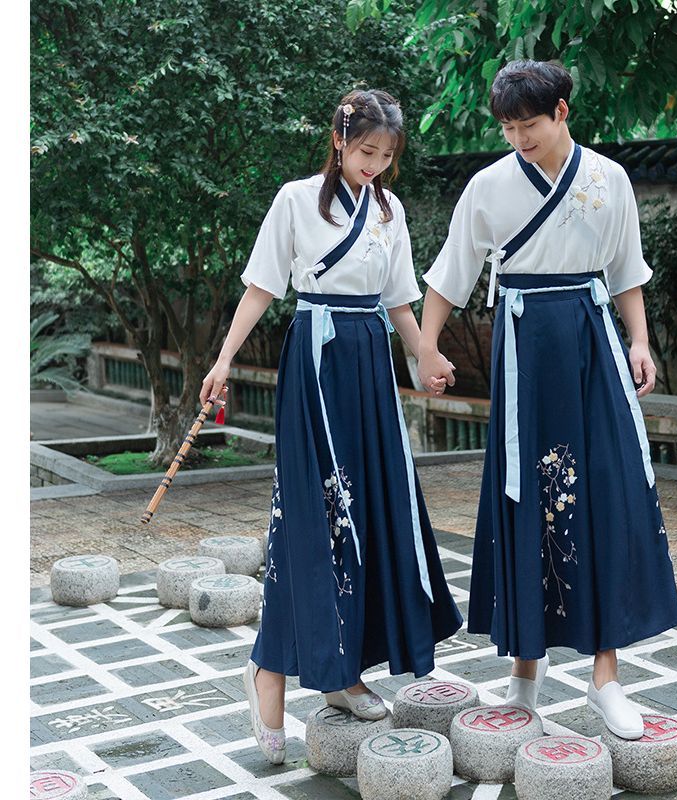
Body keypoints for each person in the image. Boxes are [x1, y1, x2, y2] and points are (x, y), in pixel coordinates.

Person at [417, 61, 677, 740]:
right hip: (524, 345)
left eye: (528, 125)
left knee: (604, 493)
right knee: (525, 494)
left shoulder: (607, 179)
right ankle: (525, 671)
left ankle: (606, 678)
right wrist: (426, 346)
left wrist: (641, 342)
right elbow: (452, 272)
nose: (517, 139)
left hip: (591, 341)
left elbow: (627, 270)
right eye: (507, 128)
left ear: (561, 111)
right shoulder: (489, 186)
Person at [200, 88, 463, 764]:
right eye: (367, 151)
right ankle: (269, 671)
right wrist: (224, 360)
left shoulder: (388, 209)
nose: (375, 165)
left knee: (369, 513)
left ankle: (344, 672)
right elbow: (262, 286)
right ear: (340, 140)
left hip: (368, 363)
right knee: (315, 518)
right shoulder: (294, 200)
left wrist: (424, 355)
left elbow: (400, 300)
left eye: (386, 155)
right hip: (315, 362)